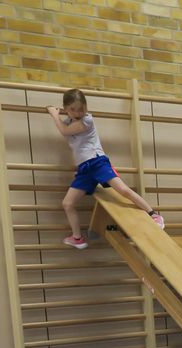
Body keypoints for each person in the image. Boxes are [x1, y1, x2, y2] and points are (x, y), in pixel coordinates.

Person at [46, 89, 164, 249]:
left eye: (81, 109)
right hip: (84, 169)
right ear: (66, 108)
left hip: (98, 162)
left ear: (86, 108)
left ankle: (153, 214)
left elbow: (64, 131)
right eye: (73, 109)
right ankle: (77, 237)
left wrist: (54, 114)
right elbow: (66, 128)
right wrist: (61, 116)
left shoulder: (87, 120)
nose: (78, 113)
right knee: (67, 203)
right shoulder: (68, 122)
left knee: (123, 190)